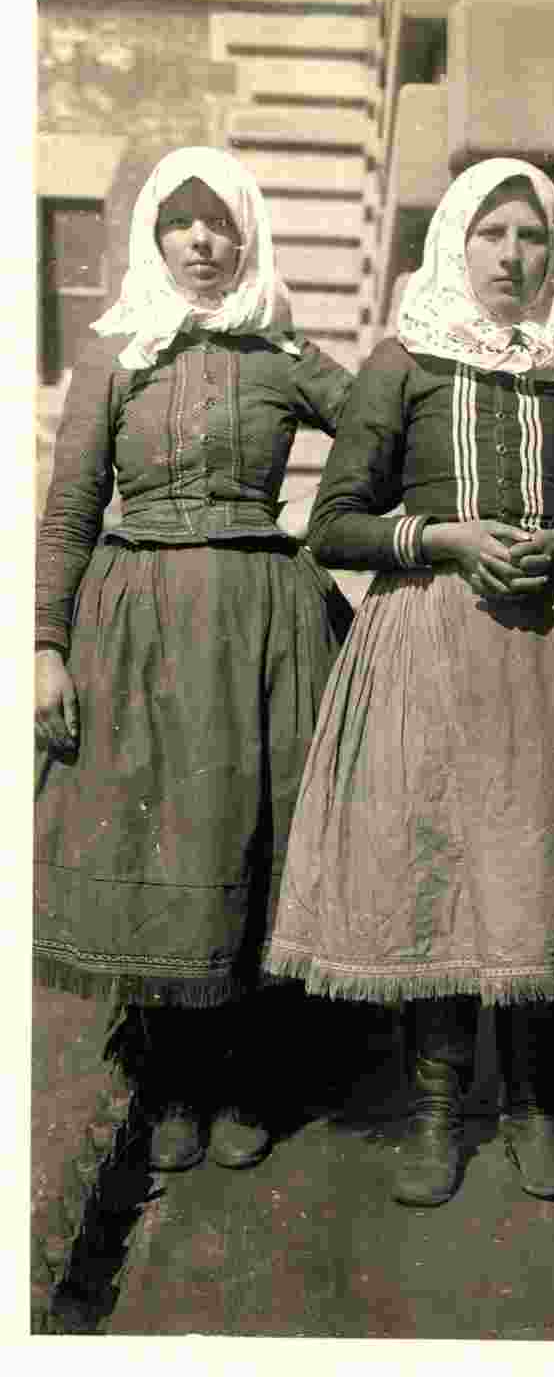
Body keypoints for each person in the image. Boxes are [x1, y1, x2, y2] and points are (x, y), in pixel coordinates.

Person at [264, 157, 554, 1206]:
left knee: (536, 866)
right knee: (440, 862)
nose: (513, 258)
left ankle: (531, 1106)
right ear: (457, 246)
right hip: (429, 637)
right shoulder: (405, 359)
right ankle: (436, 1109)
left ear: (553, 250)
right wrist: (443, 535)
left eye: (531, 238)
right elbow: (331, 520)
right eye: (492, 236)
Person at [34, 146, 355, 1174]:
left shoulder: (280, 353)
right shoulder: (116, 357)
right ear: (155, 236)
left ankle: (249, 1074)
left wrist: (356, 527)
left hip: (262, 616)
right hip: (138, 626)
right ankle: (172, 1078)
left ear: (248, 231)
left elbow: (379, 431)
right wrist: (45, 645)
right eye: (182, 223)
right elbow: (70, 512)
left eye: (219, 223)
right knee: (158, 832)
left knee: (252, 830)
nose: (202, 243)